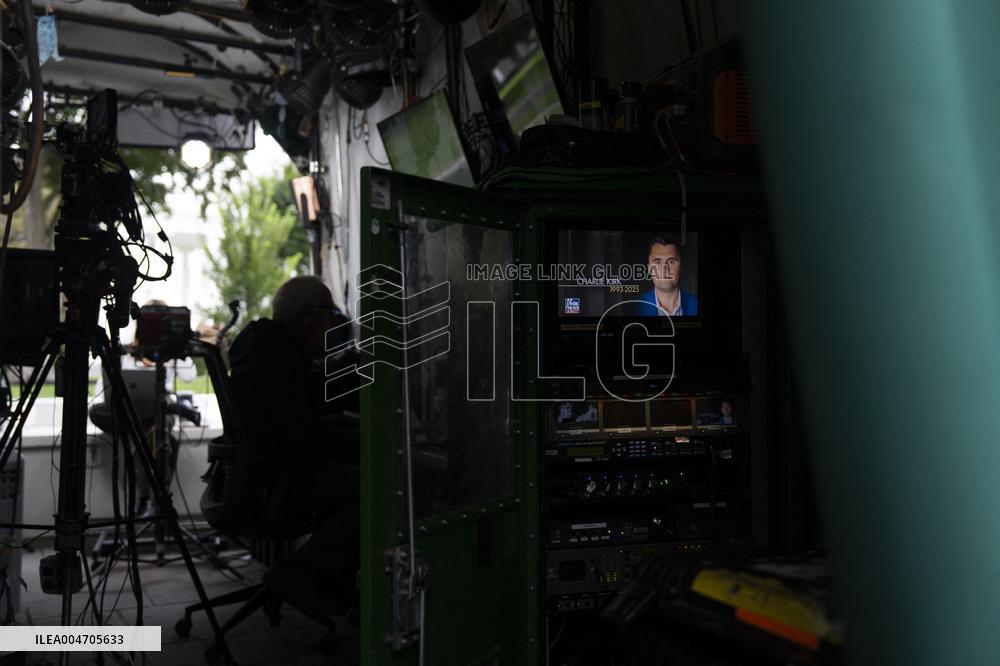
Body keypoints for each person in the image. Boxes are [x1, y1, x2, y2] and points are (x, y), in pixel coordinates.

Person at [227, 275, 359, 618]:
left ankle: (330, 585)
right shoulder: (278, 361)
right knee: (373, 491)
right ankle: (302, 572)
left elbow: (301, 408)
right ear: (308, 317)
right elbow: (302, 437)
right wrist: (360, 439)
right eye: (329, 315)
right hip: (276, 483)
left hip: (258, 476)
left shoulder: (263, 349)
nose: (331, 324)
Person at [633, 236, 698, 317]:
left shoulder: (697, 305)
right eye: (658, 262)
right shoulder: (635, 307)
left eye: (671, 262)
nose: (665, 269)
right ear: (649, 269)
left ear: (681, 268)